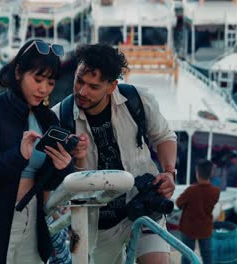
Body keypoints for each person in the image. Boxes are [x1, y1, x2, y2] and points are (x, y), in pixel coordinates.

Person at [52, 43, 177, 264]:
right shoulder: (60, 118)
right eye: (79, 80)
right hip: (97, 227)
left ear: (111, 87)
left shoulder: (137, 99)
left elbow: (164, 136)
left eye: (93, 86)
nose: (82, 91)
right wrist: (75, 159)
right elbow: (61, 182)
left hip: (144, 206)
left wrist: (169, 173)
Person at [0, 39, 75, 264]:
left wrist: (64, 165)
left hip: (33, 223)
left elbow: (48, 181)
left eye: (50, 82)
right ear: (18, 72)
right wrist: (17, 155)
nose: (44, 89)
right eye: (38, 79)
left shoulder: (48, 118)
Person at [176, 159, 220, 264]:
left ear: (197, 173)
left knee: (187, 255)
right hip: (205, 228)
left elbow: (178, 203)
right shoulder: (216, 192)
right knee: (207, 256)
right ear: (211, 173)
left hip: (188, 228)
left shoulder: (191, 190)